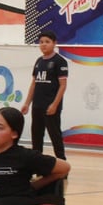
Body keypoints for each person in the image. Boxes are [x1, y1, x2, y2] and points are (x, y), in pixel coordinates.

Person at [20, 30, 68, 159]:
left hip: (51, 107)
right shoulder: (38, 61)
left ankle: (62, 166)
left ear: (54, 43)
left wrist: (54, 105)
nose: (44, 45)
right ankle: (38, 166)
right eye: (41, 42)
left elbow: (63, 85)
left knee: (55, 136)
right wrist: (27, 103)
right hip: (37, 106)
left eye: (47, 42)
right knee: (36, 137)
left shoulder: (60, 61)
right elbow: (34, 84)